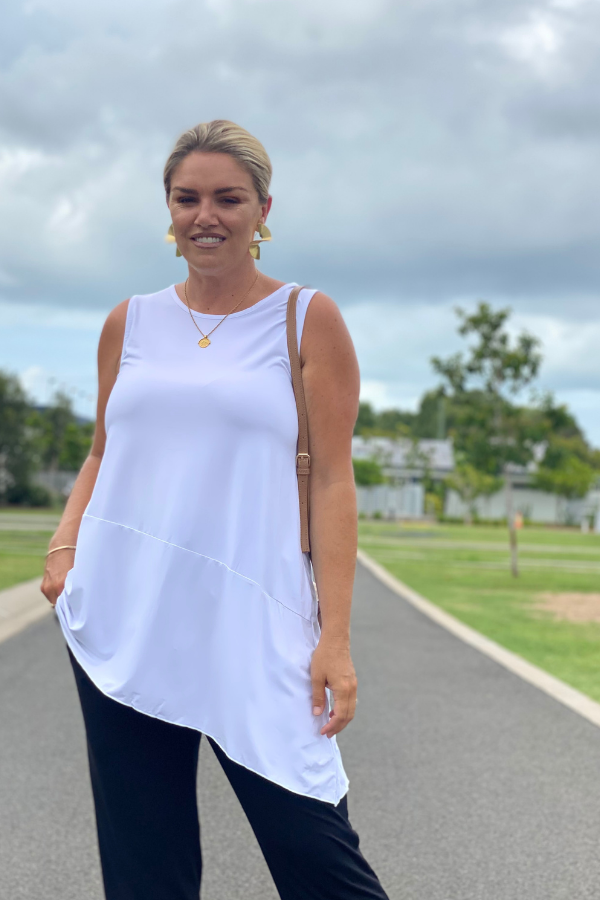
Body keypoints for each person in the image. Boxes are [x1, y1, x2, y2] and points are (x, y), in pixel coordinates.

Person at [42, 119, 389, 900]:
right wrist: (65, 549)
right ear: (168, 212)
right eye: (187, 198)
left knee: (317, 853)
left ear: (264, 209)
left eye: (228, 198)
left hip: (254, 617)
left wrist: (334, 638)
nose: (207, 215)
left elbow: (334, 480)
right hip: (127, 610)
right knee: (144, 868)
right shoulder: (129, 321)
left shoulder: (306, 317)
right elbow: (102, 449)